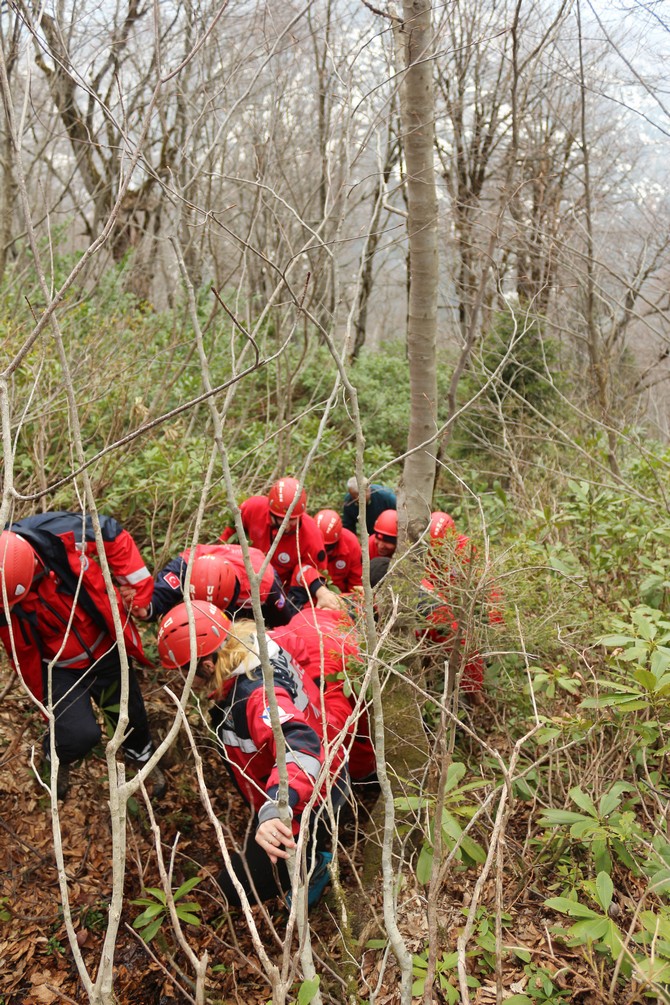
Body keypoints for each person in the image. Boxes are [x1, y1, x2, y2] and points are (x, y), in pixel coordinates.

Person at [157, 602, 349, 907]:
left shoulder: (253, 695)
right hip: (327, 771)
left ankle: (314, 866)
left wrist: (274, 810)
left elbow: (299, 746)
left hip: (310, 797)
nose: (183, 680)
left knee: (233, 889)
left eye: (185, 671)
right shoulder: (261, 646)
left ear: (206, 665)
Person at [0, 512, 162, 800]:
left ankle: (141, 760)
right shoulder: (6, 599)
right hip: (59, 668)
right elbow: (21, 651)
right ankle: (56, 759)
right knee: (78, 735)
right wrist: (42, 701)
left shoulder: (57, 535)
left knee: (131, 717)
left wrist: (138, 590)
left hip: (106, 648)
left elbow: (111, 533)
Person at [271, 605, 376, 783]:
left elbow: (339, 724)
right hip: (331, 668)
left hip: (334, 673)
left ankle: (361, 774)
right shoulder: (321, 615)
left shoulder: (310, 616)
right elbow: (339, 725)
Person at [219, 477, 343, 612]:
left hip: (281, 596)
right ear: (270, 511)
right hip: (247, 580)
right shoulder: (252, 509)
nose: (286, 525)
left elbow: (313, 576)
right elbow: (229, 537)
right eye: (280, 519)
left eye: (291, 520)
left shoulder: (312, 538)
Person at [135, 543, 291, 627]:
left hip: (253, 576)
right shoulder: (186, 564)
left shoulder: (265, 586)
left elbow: (284, 624)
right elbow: (162, 592)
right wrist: (147, 607)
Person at [314, 509, 363, 593]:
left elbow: (356, 583)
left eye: (328, 547)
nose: (324, 550)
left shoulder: (351, 544)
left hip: (342, 596)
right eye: (321, 546)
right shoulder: (306, 540)